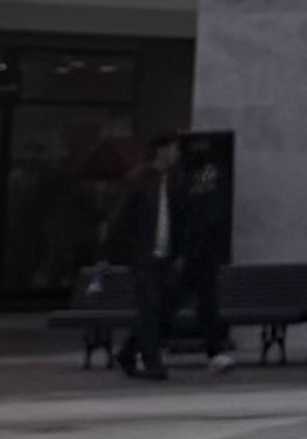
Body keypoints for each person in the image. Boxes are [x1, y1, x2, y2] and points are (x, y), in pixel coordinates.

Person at [101, 140, 174, 377]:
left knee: (159, 308)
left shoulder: (174, 180)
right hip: (143, 255)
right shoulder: (139, 180)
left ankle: (128, 352)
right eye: (173, 148)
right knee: (149, 306)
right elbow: (121, 217)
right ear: (162, 150)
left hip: (165, 254)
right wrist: (118, 251)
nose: (176, 154)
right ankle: (152, 361)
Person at [169, 133, 236, 366]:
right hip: (199, 253)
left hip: (195, 253)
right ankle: (214, 350)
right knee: (199, 304)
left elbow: (184, 217)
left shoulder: (185, 180)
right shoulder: (205, 180)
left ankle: (214, 350)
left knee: (187, 303)